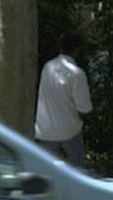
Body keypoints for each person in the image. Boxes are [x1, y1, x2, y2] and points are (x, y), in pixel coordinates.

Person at [34, 31, 92, 168]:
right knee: (77, 170)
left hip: (46, 129)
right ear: (77, 50)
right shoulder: (77, 73)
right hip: (69, 129)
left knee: (46, 171)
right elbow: (84, 109)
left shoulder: (47, 67)